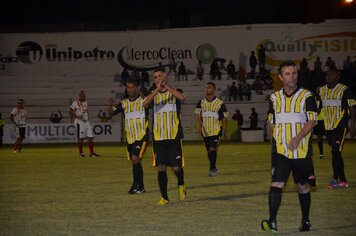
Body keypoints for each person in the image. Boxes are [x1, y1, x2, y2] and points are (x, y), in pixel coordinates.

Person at [261, 60, 317, 233]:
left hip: (300, 150)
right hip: (281, 151)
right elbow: (271, 121)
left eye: (294, 73)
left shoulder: (307, 96)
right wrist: (276, 137)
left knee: (302, 186)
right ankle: (272, 222)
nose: (291, 77)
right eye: (287, 74)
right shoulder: (274, 98)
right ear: (280, 77)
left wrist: (298, 138)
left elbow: (312, 120)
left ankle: (305, 221)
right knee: (276, 184)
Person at [142, 68, 186, 205]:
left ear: (165, 77)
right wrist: (156, 90)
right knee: (161, 167)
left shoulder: (174, 91)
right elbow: (144, 104)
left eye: (160, 76)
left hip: (173, 137)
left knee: (176, 168)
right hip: (158, 137)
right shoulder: (152, 94)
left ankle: (181, 183)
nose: (158, 79)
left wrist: (165, 86)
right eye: (155, 77)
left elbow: (182, 97)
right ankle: (164, 197)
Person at [109, 79, 149, 194]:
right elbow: (111, 113)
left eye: (132, 87)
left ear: (136, 88)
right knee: (136, 161)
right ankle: (140, 187)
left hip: (142, 135)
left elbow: (149, 103)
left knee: (135, 158)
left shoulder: (143, 101)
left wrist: (142, 93)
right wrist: (110, 104)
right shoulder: (124, 103)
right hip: (130, 137)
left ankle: (135, 185)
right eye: (128, 87)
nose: (130, 90)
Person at [319, 69, 356, 189]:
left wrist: (352, 125)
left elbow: (352, 108)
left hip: (340, 124)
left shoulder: (344, 90)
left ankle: (338, 179)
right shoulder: (321, 90)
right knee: (335, 152)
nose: (328, 76)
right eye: (327, 75)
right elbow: (318, 107)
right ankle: (340, 179)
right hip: (328, 126)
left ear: (337, 77)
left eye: (331, 75)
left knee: (335, 151)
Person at [195, 82, 228, 177]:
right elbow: (197, 115)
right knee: (209, 151)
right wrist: (198, 126)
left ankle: (212, 169)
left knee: (212, 149)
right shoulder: (200, 102)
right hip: (205, 131)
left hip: (216, 130)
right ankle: (214, 167)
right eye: (205, 88)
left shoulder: (220, 103)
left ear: (213, 90)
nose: (206, 89)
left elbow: (224, 118)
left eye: (209, 88)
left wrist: (225, 131)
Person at [68, 90, 100, 158]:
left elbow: (86, 110)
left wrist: (88, 116)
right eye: (83, 95)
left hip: (86, 121)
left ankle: (91, 153)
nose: (85, 96)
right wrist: (76, 116)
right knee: (81, 138)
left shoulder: (85, 101)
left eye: (85, 95)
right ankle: (81, 153)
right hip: (80, 122)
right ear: (80, 96)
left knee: (90, 137)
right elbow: (69, 110)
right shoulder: (75, 102)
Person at [313, 91, 325, 159]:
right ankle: (321, 154)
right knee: (319, 138)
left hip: (324, 120)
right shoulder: (315, 98)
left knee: (321, 138)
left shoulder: (322, 98)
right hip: (319, 120)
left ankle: (322, 154)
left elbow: (318, 110)